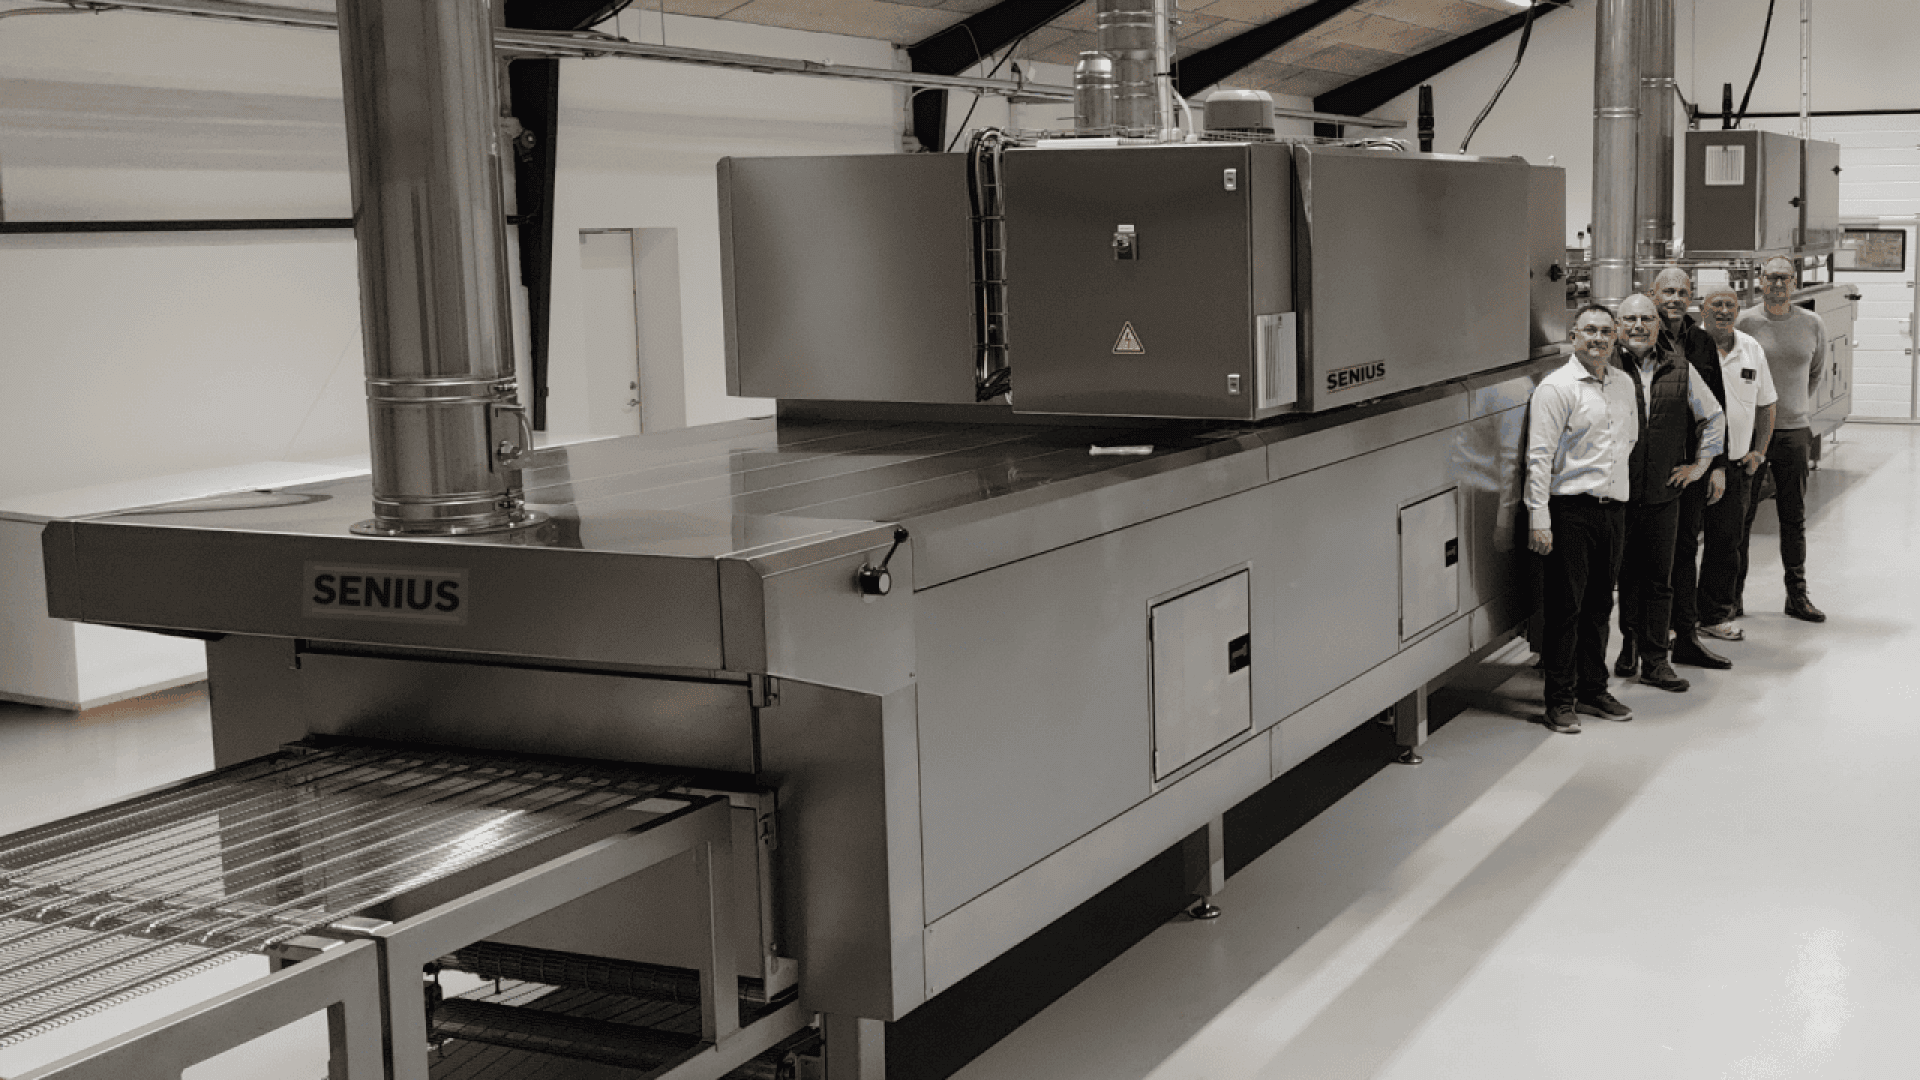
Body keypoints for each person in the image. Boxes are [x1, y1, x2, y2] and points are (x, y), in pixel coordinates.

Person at [1524, 304, 1639, 734]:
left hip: (1613, 511)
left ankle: (1593, 688)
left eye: (1606, 331)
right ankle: (1559, 700)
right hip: (1570, 510)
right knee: (1565, 609)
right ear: (1573, 336)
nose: (1598, 338)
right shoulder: (1557, 388)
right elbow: (1538, 456)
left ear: (1615, 337)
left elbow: (1628, 439)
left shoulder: (1623, 384)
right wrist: (1540, 517)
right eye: (1589, 330)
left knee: (1598, 605)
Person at [1611, 293, 1725, 693]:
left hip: (1663, 496)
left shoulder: (1680, 367)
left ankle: (1656, 660)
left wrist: (1699, 467)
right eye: (1630, 319)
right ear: (1617, 326)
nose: (1638, 326)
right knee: (1627, 577)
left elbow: (1713, 417)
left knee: (1659, 579)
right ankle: (1629, 645)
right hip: (1617, 497)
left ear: (1658, 326)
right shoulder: (1604, 368)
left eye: (1646, 318)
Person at [1735, 256, 1827, 623]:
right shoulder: (1746, 322)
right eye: (1771, 277)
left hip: (1793, 432)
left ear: (1794, 282)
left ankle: (1797, 596)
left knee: (1794, 517)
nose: (1777, 284)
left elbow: (1815, 373)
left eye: (1784, 278)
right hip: (1752, 435)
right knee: (1742, 518)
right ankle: (1731, 597)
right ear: (1760, 280)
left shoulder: (1812, 323)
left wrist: (1791, 408)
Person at [1651, 268, 1733, 670]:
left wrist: (1715, 465)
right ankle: (1638, 643)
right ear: (1653, 294)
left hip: (1693, 466)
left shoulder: (1700, 340)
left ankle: (1685, 636)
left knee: (1685, 551)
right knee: (1644, 557)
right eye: (1668, 291)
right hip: (1648, 466)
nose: (1675, 298)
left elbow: (1716, 405)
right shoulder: (1643, 337)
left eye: (1683, 292)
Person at [1695, 288, 1777, 641]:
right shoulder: (1692, 347)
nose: (1724, 311)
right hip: (1693, 465)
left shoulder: (1751, 348)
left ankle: (1714, 616)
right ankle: (1676, 620)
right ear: (1703, 310)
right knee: (1680, 548)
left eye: (1730, 305)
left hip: (1734, 466)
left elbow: (1767, 403)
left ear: (1738, 310)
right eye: (1717, 305)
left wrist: (1759, 451)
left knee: (1726, 543)